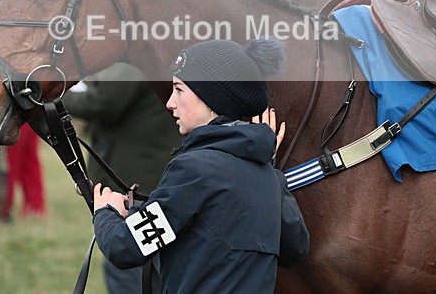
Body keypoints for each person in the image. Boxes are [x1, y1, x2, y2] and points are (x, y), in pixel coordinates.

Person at [93, 38, 310, 293]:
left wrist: (106, 212)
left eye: (179, 90)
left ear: (211, 99)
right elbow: (296, 248)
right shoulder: (267, 177)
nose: (170, 102)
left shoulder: (193, 171)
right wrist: (273, 174)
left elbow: (126, 247)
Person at [62, 63, 180, 294]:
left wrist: (58, 96)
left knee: (129, 265)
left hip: (135, 187)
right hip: (147, 179)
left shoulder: (134, 63)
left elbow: (103, 102)